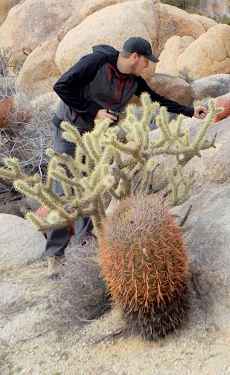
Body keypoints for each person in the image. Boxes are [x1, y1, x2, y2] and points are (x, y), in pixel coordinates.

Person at [45, 37, 208, 279]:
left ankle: (84, 250)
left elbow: (155, 100)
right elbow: (61, 86)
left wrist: (190, 111)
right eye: (146, 60)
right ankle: (55, 258)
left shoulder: (133, 81)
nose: (147, 65)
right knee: (64, 191)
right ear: (134, 56)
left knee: (91, 189)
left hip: (98, 137)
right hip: (69, 131)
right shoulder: (97, 62)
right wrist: (93, 112)